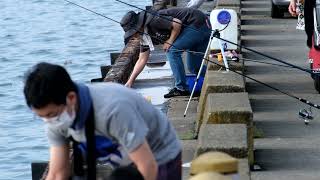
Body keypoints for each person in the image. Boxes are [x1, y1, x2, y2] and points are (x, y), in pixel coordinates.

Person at [23, 62, 182, 180]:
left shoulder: (113, 110)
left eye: (51, 115)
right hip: (123, 160)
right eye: (42, 117)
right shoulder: (55, 117)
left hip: (159, 155)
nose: (49, 122)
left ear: (71, 98)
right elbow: (58, 173)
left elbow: (148, 165)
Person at [120, 7, 211, 98]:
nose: (134, 36)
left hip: (198, 23)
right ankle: (216, 76)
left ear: (138, 26)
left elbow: (177, 23)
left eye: (133, 33)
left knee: (172, 51)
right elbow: (142, 59)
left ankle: (181, 88)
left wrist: (170, 41)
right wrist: (130, 82)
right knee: (194, 67)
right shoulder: (144, 37)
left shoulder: (153, 20)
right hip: (198, 27)